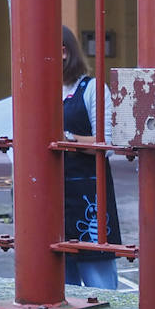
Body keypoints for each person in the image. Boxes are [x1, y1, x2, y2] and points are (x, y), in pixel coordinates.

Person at [60, 25, 123, 289]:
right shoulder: (38, 92)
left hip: (88, 194)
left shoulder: (92, 88)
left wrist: (68, 139)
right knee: (60, 285)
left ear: (63, 52)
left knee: (101, 284)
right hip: (53, 198)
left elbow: (108, 142)